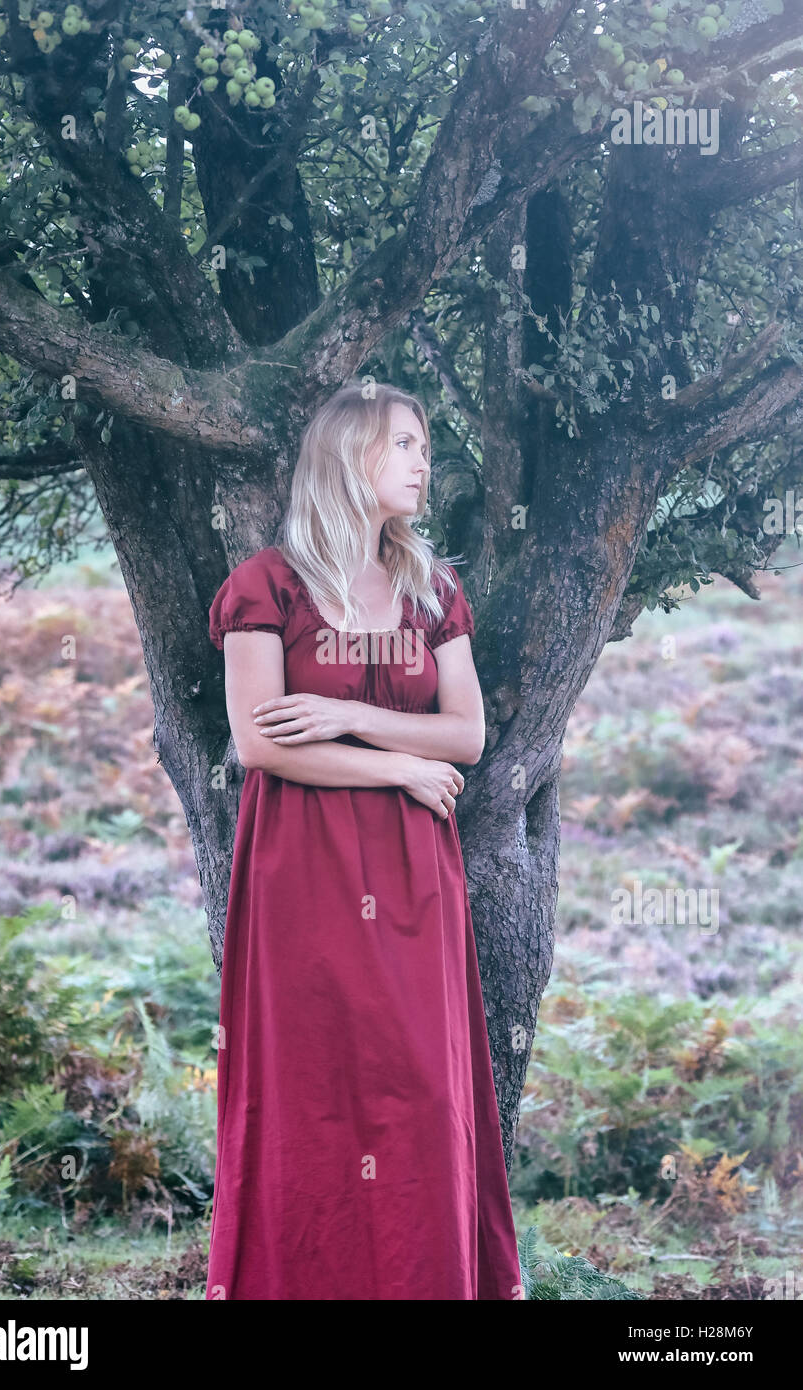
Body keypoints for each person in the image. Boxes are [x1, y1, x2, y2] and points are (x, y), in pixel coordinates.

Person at [205, 381, 523, 1300]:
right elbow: (263, 742)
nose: (425, 464)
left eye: (426, 446)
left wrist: (345, 711)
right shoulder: (267, 584)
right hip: (301, 870)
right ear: (350, 457)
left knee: (419, 1091)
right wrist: (398, 768)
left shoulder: (432, 589)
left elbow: (465, 736)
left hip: (415, 876)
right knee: (311, 1093)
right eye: (405, 445)